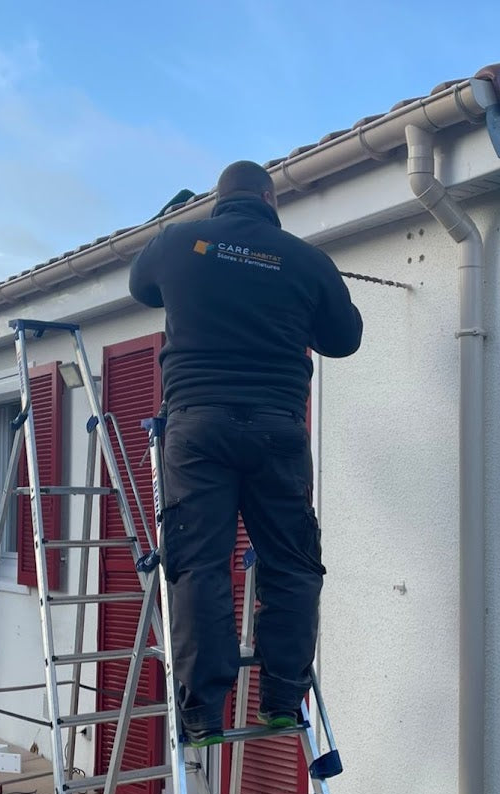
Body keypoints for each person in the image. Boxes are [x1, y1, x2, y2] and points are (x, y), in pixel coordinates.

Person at [128, 160, 363, 745]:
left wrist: (176, 237)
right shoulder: (305, 259)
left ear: (218, 199)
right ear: (269, 198)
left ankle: (204, 712)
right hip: (276, 428)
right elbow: (346, 339)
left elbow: (140, 287)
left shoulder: (181, 241)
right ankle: (283, 699)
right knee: (291, 563)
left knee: (200, 563)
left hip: (197, 425)